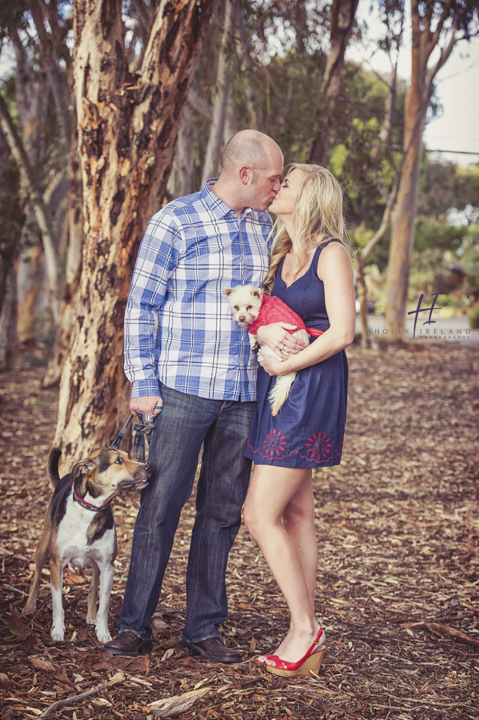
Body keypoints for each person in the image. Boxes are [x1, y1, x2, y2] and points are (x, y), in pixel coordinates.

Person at [103, 130, 284, 661]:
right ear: (245, 174)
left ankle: (203, 628)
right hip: (181, 392)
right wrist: (143, 384)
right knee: (159, 508)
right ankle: (135, 625)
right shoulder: (174, 221)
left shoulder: (266, 229)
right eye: (273, 177)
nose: (278, 186)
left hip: (244, 394)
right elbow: (142, 306)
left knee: (222, 513)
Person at [242, 164, 356, 677]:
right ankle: (301, 628)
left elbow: (342, 333)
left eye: (287, 182)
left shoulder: (332, 253)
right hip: (278, 385)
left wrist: (285, 362)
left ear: (310, 195)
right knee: (296, 513)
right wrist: (265, 341)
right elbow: (266, 321)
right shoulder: (281, 253)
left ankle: (306, 629)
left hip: (310, 387)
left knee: (257, 515)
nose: (277, 187)